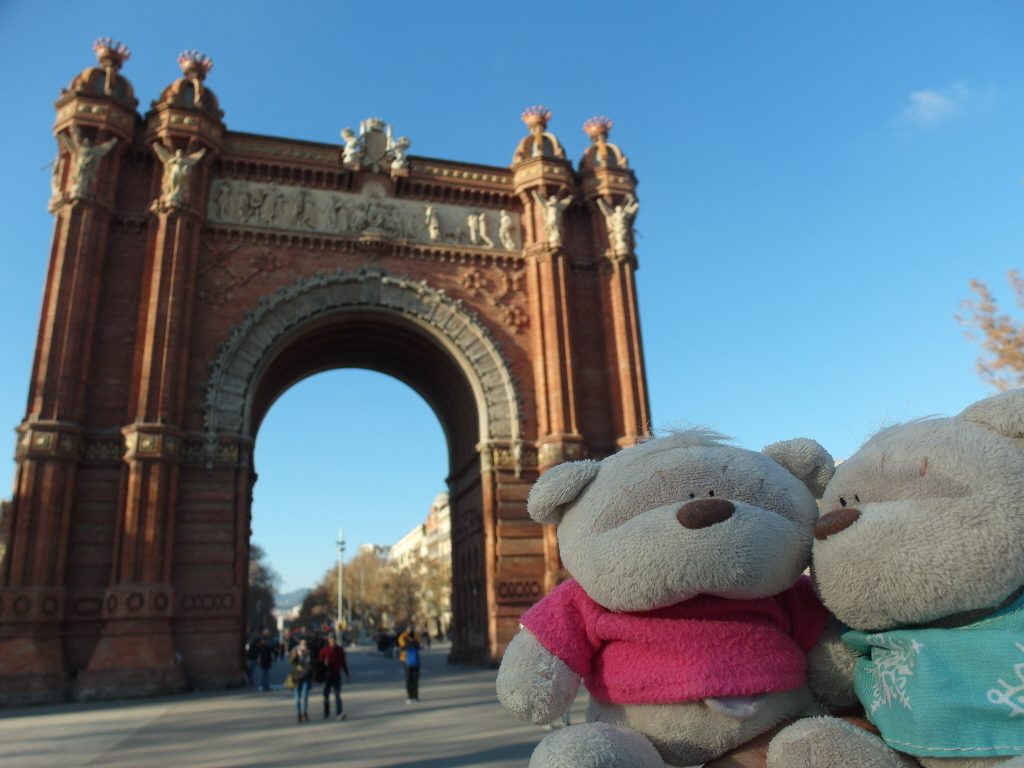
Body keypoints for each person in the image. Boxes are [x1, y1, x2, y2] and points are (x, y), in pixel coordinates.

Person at [318, 633, 351, 720]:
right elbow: (320, 663)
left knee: (337, 694)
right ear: (328, 640)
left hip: (336, 674)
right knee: (326, 694)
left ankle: (339, 713)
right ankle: (326, 712)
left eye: (333, 638)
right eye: (330, 639)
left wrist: (347, 674)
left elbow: (343, 662)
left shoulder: (339, 650)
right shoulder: (324, 650)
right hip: (328, 675)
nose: (332, 640)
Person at [289, 638, 315, 723]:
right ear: (299, 644)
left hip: (306, 677)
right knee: (297, 697)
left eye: (305, 644)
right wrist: (295, 654)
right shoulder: (296, 651)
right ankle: (299, 714)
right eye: (302, 644)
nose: (304, 645)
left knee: (305, 695)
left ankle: (305, 713)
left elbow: (312, 664)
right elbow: (291, 661)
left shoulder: (309, 653)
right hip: (297, 677)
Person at [397, 623, 423, 703]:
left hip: (407, 662)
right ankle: (414, 696)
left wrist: (406, 633)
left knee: (409, 680)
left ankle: (410, 697)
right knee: (414, 680)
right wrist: (411, 633)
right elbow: (419, 641)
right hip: (414, 662)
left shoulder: (405, 642)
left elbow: (400, 639)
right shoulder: (416, 641)